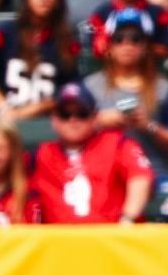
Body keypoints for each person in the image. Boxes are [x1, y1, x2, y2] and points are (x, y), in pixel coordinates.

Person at [28, 84, 155, 224]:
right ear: (54, 120)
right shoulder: (41, 155)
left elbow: (140, 177)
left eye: (82, 114)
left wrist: (127, 220)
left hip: (111, 240)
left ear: (95, 118)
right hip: (58, 242)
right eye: (65, 114)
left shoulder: (117, 144)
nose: (73, 120)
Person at [82, 6, 168, 168]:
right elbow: (70, 132)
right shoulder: (89, 86)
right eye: (119, 38)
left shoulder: (164, 88)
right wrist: (98, 122)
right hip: (102, 172)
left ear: (145, 46)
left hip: (153, 170)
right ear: (109, 46)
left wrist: (148, 125)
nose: (127, 44)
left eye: (136, 39)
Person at [0, 0, 81, 129]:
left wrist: (36, 109)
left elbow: (70, 90)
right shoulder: (5, 32)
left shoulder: (68, 40)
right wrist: (4, 108)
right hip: (6, 123)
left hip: (49, 124)